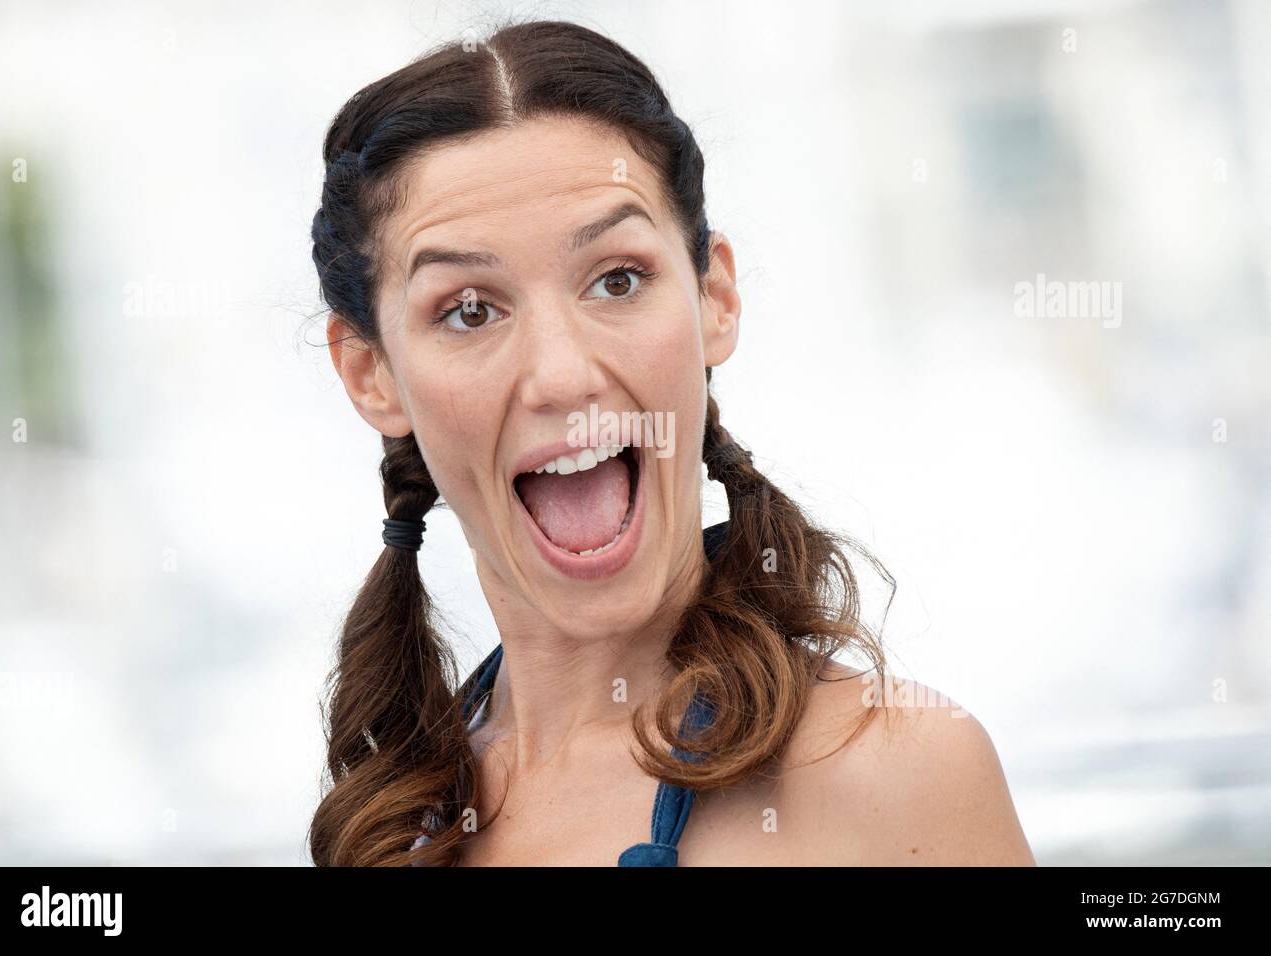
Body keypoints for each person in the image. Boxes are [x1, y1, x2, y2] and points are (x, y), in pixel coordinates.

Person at [308, 17, 1035, 867]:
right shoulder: (392, 823)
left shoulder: (900, 774)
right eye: (470, 310)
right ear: (371, 373)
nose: (562, 375)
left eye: (617, 280)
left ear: (714, 297)